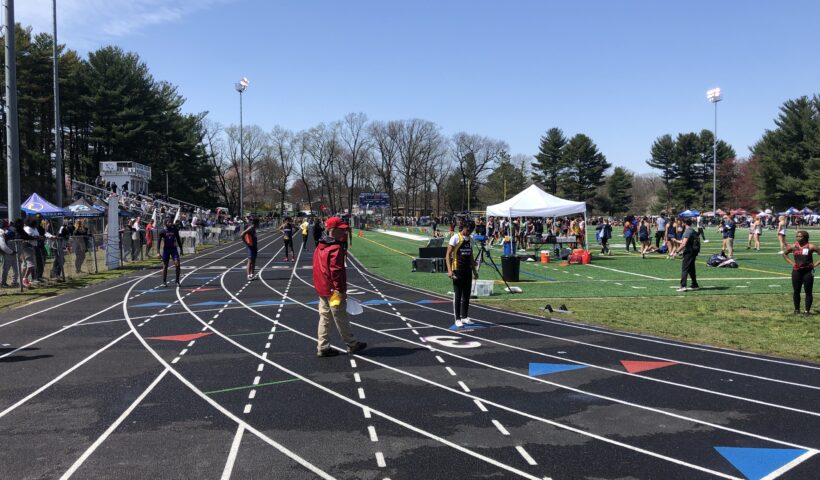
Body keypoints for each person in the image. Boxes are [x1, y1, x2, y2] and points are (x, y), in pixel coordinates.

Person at [312, 216, 366, 357]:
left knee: (324, 317)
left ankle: (323, 346)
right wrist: (340, 289)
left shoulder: (320, 245)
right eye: (341, 230)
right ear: (333, 230)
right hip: (334, 290)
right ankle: (352, 344)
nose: (344, 233)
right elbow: (336, 271)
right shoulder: (335, 248)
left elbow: (317, 267)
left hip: (322, 287)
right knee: (340, 316)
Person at [446, 219, 478, 328]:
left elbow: (471, 256)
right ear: (463, 227)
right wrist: (449, 270)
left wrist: (474, 270)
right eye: (468, 230)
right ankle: (457, 318)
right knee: (458, 295)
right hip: (457, 269)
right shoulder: (455, 238)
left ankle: (465, 317)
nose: (469, 232)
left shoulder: (471, 240)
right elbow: (447, 255)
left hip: (467, 270)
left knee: (467, 295)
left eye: (471, 230)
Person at [782, 230, 819, 315]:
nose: (798, 238)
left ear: (805, 237)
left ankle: (807, 311)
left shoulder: (811, 246)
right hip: (796, 272)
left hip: (808, 272)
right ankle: (797, 310)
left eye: (800, 236)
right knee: (796, 291)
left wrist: (814, 265)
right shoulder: (793, 246)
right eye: (797, 236)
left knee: (808, 292)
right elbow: (784, 254)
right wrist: (792, 263)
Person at [675, 217, 700, 292]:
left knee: (685, 269)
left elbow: (684, 243)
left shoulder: (687, 231)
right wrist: (676, 240)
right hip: (693, 251)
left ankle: (683, 286)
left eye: (682, 223)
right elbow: (684, 241)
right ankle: (695, 284)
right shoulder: (692, 230)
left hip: (689, 252)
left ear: (684, 223)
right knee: (691, 269)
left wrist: (676, 251)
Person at [156, 218, 183, 287]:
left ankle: (177, 280)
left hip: (174, 250)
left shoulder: (174, 230)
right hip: (166, 250)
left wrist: (181, 249)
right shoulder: (162, 231)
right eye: (168, 222)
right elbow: (158, 242)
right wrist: (158, 252)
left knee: (177, 264)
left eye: (171, 222)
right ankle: (164, 281)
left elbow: (178, 240)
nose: (170, 223)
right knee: (165, 266)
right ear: (165, 223)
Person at [0, 220, 19, 287]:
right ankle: (3, 283)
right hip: (7, 252)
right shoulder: (1, 232)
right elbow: (2, 245)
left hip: (8, 252)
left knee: (13, 268)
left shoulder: (5, 231)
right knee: (5, 268)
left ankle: (12, 282)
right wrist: (11, 252)